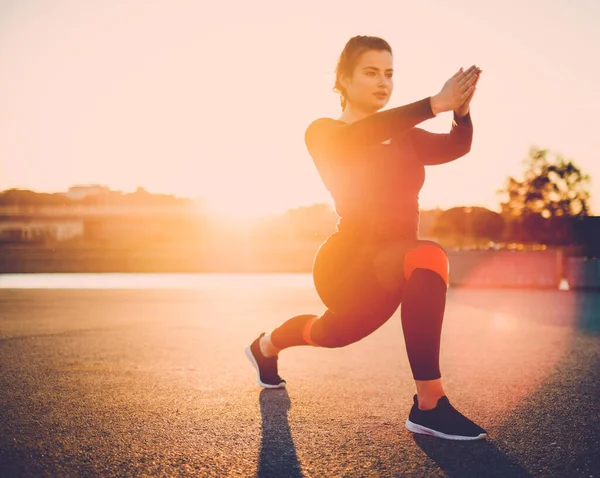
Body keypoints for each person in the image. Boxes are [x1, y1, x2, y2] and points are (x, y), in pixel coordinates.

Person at [245, 35, 486, 441]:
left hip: (394, 261)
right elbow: (364, 135)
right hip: (348, 264)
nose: (383, 82)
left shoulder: (404, 135)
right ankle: (430, 406)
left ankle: (265, 347)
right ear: (344, 78)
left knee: (328, 334)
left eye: (390, 73)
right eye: (371, 72)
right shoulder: (324, 132)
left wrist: (460, 113)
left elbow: (457, 147)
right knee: (429, 257)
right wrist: (432, 104)